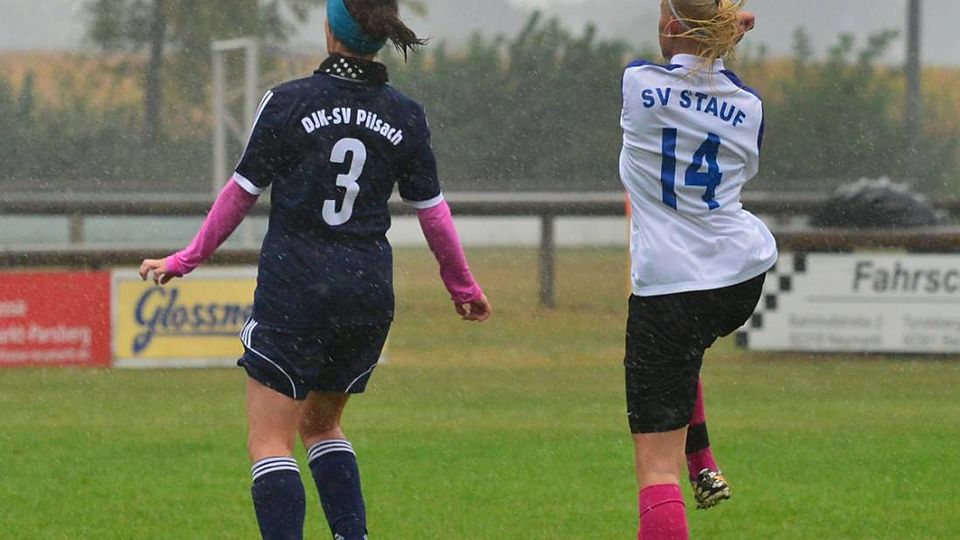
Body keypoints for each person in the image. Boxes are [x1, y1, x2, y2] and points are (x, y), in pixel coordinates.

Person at [140, 1, 491, 538]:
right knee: (323, 426)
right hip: (366, 292)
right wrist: (461, 284)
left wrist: (186, 259)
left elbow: (240, 194)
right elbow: (433, 213)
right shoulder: (406, 115)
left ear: (331, 31)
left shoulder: (288, 102)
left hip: (297, 287)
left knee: (269, 441)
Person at [618, 0, 776, 537]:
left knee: (655, 471)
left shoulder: (638, 83)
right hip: (738, 277)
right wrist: (721, 40)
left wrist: (716, 30)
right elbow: (711, 86)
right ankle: (702, 460)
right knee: (685, 349)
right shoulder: (749, 106)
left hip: (669, 286)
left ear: (669, 26)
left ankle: (688, 462)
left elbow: (674, 77)